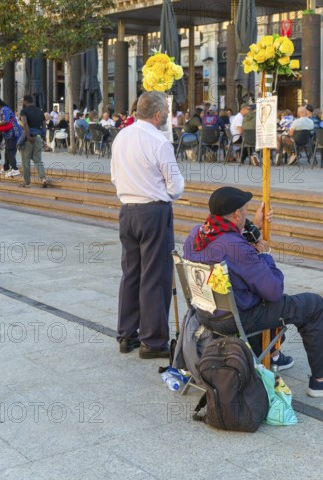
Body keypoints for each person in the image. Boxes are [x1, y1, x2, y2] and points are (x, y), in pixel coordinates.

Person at [183, 186, 323, 397]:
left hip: (206, 314)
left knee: (251, 292)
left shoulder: (197, 234)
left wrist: (254, 227)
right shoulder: (236, 248)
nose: (247, 214)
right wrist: (264, 254)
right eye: (246, 211)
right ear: (237, 214)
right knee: (313, 305)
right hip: (237, 319)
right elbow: (274, 290)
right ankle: (322, 379)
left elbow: (229, 243)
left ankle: (272, 355)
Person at [110, 91, 185, 358]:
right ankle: (152, 341)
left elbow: (114, 177)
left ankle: (127, 335)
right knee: (154, 276)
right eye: (166, 109)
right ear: (157, 114)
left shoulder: (121, 136)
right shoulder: (159, 141)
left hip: (127, 209)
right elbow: (175, 187)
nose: (168, 113)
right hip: (152, 211)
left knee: (131, 273)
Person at [19, 95, 48, 188]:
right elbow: (44, 126)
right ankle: (43, 179)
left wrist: (28, 136)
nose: (22, 103)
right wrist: (43, 137)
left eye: (23, 101)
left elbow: (24, 123)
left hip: (29, 137)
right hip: (38, 137)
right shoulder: (40, 112)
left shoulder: (24, 111)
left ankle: (27, 182)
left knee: (25, 161)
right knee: (38, 160)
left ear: (26, 102)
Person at [0, 98, 22, 177]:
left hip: (12, 133)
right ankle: (6, 168)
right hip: (10, 133)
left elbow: (6, 120)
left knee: (10, 150)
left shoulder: (4, 109)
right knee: (7, 150)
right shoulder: (5, 109)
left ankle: (15, 169)